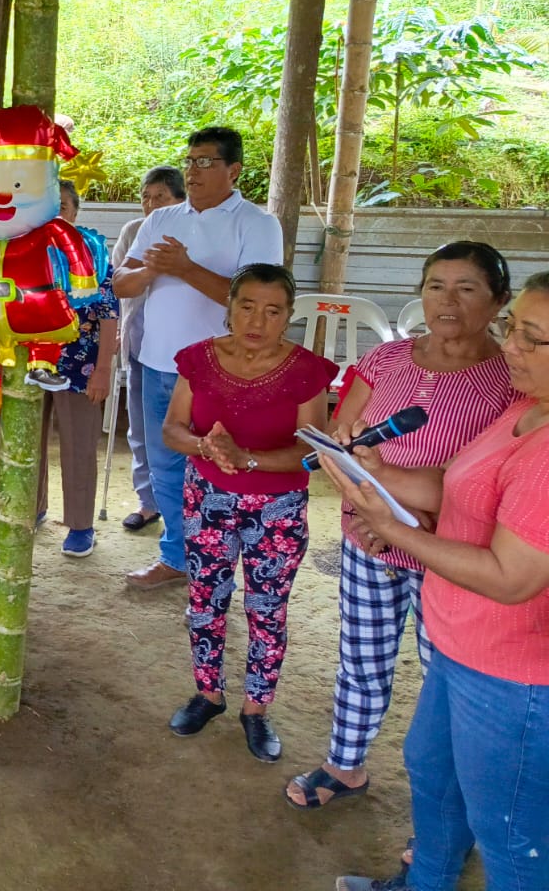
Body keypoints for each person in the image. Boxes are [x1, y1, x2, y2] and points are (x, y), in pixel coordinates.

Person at [328, 270, 549, 891]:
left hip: (515, 675)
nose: (511, 347)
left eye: (532, 338)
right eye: (513, 329)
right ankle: (425, 881)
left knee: (510, 837)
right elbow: (452, 484)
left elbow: (511, 579)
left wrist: (393, 530)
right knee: (433, 775)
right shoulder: (525, 408)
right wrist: (374, 476)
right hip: (460, 645)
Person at [288, 242, 517, 811]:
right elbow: (339, 443)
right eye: (436, 286)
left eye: (466, 288)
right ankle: (344, 765)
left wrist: (404, 521)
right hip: (368, 542)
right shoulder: (386, 361)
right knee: (361, 662)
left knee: (448, 682)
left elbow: (488, 485)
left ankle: (450, 808)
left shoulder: (511, 384)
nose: (447, 300)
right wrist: (368, 511)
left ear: (499, 302)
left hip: (453, 556)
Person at [161, 264, 337, 763]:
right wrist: (205, 446)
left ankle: (256, 709)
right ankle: (208, 694)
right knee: (205, 599)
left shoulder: (307, 371)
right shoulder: (198, 359)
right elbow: (172, 429)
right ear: (230, 307)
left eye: (273, 310)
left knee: (267, 608)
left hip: (277, 508)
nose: (257, 320)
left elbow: (312, 451)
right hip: (206, 497)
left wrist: (248, 459)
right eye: (247, 306)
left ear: (288, 315)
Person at [115, 127, 284, 591]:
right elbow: (122, 284)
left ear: (234, 170)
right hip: (156, 363)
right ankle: (177, 557)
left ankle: (217, 566)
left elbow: (255, 302)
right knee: (165, 466)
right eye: (189, 161)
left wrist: (185, 268)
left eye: (206, 161)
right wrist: (152, 270)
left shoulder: (257, 223)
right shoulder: (161, 219)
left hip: (221, 372)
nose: (193, 170)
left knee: (218, 467)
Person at [37, 180, 120, 558]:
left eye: (63, 208)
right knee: (28, 441)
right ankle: (31, 508)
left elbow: (108, 313)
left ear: (74, 213)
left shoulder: (91, 251)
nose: (55, 215)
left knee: (79, 445)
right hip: (30, 363)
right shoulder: (24, 250)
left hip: (80, 365)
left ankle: (81, 525)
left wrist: (103, 369)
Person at [111, 166, 185, 533]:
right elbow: (117, 281)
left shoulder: (189, 233)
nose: (151, 205)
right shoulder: (133, 231)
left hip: (181, 351)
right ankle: (148, 502)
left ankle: (183, 506)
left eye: (161, 198)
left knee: (179, 431)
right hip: (139, 343)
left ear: (180, 200)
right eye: (146, 197)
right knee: (140, 429)